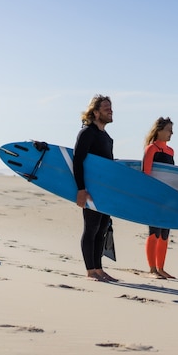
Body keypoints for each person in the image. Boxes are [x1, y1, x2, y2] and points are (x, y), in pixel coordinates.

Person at [73, 94, 118, 282]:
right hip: (90, 189)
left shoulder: (107, 137)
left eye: (111, 108)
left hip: (104, 190)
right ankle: (90, 271)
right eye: (106, 108)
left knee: (102, 229)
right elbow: (77, 160)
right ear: (96, 112)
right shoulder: (87, 133)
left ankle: (99, 268)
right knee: (91, 228)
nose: (110, 111)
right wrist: (81, 189)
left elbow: (107, 166)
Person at [142, 117, 176, 279]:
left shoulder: (170, 151)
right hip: (154, 196)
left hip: (167, 198)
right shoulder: (151, 149)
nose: (171, 133)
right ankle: (152, 269)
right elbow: (146, 176)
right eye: (169, 130)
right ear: (159, 130)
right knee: (154, 232)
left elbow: (172, 176)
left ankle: (161, 268)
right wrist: (149, 196)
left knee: (164, 233)